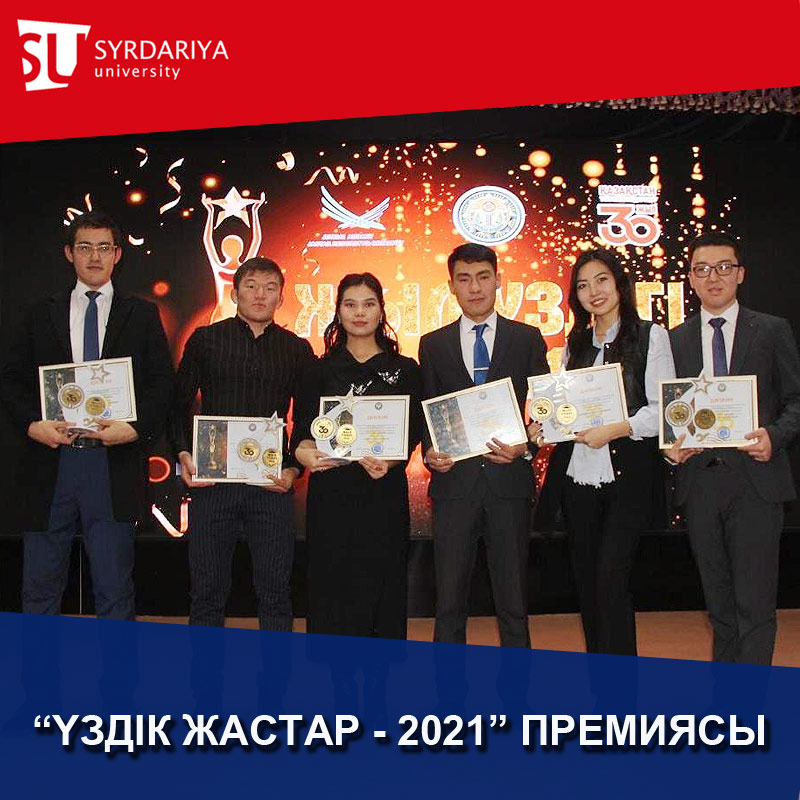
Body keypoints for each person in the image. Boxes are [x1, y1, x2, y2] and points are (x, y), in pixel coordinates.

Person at [0, 211, 174, 619]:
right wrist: (32, 424)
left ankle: (116, 665)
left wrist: (133, 430)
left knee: (114, 587)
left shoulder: (142, 314)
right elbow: (11, 379)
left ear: (117, 255)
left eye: (103, 248)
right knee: (40, 586)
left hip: (111, 464)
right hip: (51, 463)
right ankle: (38, 664)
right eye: (84, 247)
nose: (94, 257)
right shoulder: (38, 313)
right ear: (69, 253)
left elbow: (162, 384)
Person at [530, 249, 675, 656]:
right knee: (588, 583)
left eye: (601, 280)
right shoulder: (574, 343)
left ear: (619, 284)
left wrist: (616, 429)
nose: (593, 291)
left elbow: (662, 409)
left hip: (627, 475)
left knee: (612, 578)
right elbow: (565, 410)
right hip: (578, 477)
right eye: (582, 285)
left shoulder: (650, 336)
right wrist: (544, 426)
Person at [665, 231, 800, 664]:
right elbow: (667, 409)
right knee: (719, 607)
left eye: (724, 267)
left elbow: (796, 400)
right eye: (702, 269)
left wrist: (775, 436)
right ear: (690, 278)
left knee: (755, 606)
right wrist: (669, 447)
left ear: (740, 274)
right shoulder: (674, 339)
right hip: (701, 484)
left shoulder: (772, 330)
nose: (714, 277)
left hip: (757, 482)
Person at [170, 256, 315, 630]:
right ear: (234, 293)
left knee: (275, 592)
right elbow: (178, 403)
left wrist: (292, 469)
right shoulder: (206, 340)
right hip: (213, 484)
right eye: (251, 286)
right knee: (206, 592)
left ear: (281, 297)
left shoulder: (296, 349)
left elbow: (308, 418)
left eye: (270, 288)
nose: (260, 295)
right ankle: (204, 668)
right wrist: (184, 454)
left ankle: (276, 669)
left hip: (270, 486)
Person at [419, 242, 548, 647]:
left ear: (497, 281)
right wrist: (430, 452)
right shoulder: (432, 344)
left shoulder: (526, 338)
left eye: (482, 277)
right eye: (464, 279)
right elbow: (428, 411)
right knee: (449, 601)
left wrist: (526, 448)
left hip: (509, 484)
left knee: (513, 601)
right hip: (454, 486)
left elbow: (545, 408)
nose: (474, 288)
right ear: (451, 286)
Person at [293, 273, 422, 639]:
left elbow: (413, 431)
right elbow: (302, 433)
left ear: (382, 311)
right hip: (332, 492)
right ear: (338, 312)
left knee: (383, 579)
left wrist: (391, 462)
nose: (360, 313)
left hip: (383, 491)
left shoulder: (405, 369)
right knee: (331, 581)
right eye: (350, 304)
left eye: (368, 304)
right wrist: (305, 455)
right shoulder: (317, 369)